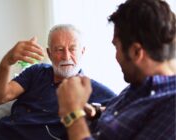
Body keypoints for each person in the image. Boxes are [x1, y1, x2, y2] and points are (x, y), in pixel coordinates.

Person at [0, 24, 115, 140]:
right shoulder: (36, 72)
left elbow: (123, 113)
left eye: (73, 49)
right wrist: (6, 64)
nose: (66, 56)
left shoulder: (94, 90)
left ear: (82, 52)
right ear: (49, 53)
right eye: (59, 49)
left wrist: (95, 111)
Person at [57, 0, 176, 140]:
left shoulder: (171, 108)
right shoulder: (140, 83)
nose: (116, 56)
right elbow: (132, 118)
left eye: (116, 47)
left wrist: (73, 113)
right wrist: (96, 112)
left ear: (136, 52)